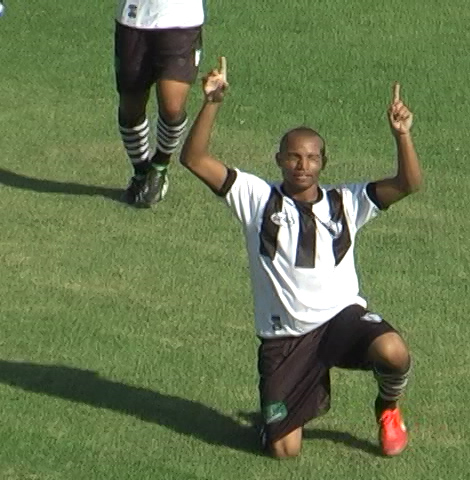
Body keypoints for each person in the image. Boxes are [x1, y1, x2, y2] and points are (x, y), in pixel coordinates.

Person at [180, 57, 422, 458]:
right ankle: (287, 407)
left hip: (340, 320)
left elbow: (409, 184)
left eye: (311, 158)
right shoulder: (256, 198)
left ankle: (388, 407)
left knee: (393, 351)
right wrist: (212, 103)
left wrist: (402, 135)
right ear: (278, 160)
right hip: (286, 339)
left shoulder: (347, 201)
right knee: (283, 451)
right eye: (293, 157)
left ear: (323, 163)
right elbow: (194, 160)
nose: (302, 166)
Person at [114, 0, 204, 207]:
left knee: (172, 108)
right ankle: (141, 170)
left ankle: (160, 165)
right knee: (130, 105)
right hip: (133, 19)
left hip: (181, 21)